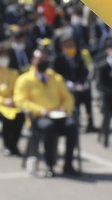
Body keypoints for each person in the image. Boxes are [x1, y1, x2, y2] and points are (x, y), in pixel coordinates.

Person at [14, 49, 78, 177]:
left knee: (71, 126)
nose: (44, 63)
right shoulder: (24, 79)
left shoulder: (56, 78)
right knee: (49, 128)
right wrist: (40, 110)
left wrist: (65, 108)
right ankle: (50, 165)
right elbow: (20, 101)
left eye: (46, 60)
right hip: (39, 117)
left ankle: (68, 164)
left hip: (58, 114)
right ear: (33, 61)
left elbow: (68, 97)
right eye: (40, 60)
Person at [53, 34, 95, 132]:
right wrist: (71, 85)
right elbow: (57, 76)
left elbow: (83, 73)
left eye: (73, 45)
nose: (71, 48)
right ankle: (75, 119)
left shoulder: (78, 57)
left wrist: (80, 83)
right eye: (68, 46)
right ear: (62, 47)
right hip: (64, 87)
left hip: (78, 85)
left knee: (86, 92)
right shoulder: (58, 59)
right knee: (75, 95)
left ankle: (90, 120)